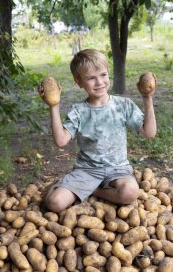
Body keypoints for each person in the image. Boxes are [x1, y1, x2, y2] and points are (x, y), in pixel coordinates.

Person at [38, 49, 157, 213]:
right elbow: (61, 141)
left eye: (103, 75)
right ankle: (67, 186)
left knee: (130, 192)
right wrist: (54, 106)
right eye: (91, 78)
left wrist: (147, 98)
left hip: (118, 170)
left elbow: (149, 133)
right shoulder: (79, 111)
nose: (99, 82)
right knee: (55, 203)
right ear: (79, 82)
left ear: (108, 74)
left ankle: (94, 191)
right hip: (86, 170)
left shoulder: (123, 105)